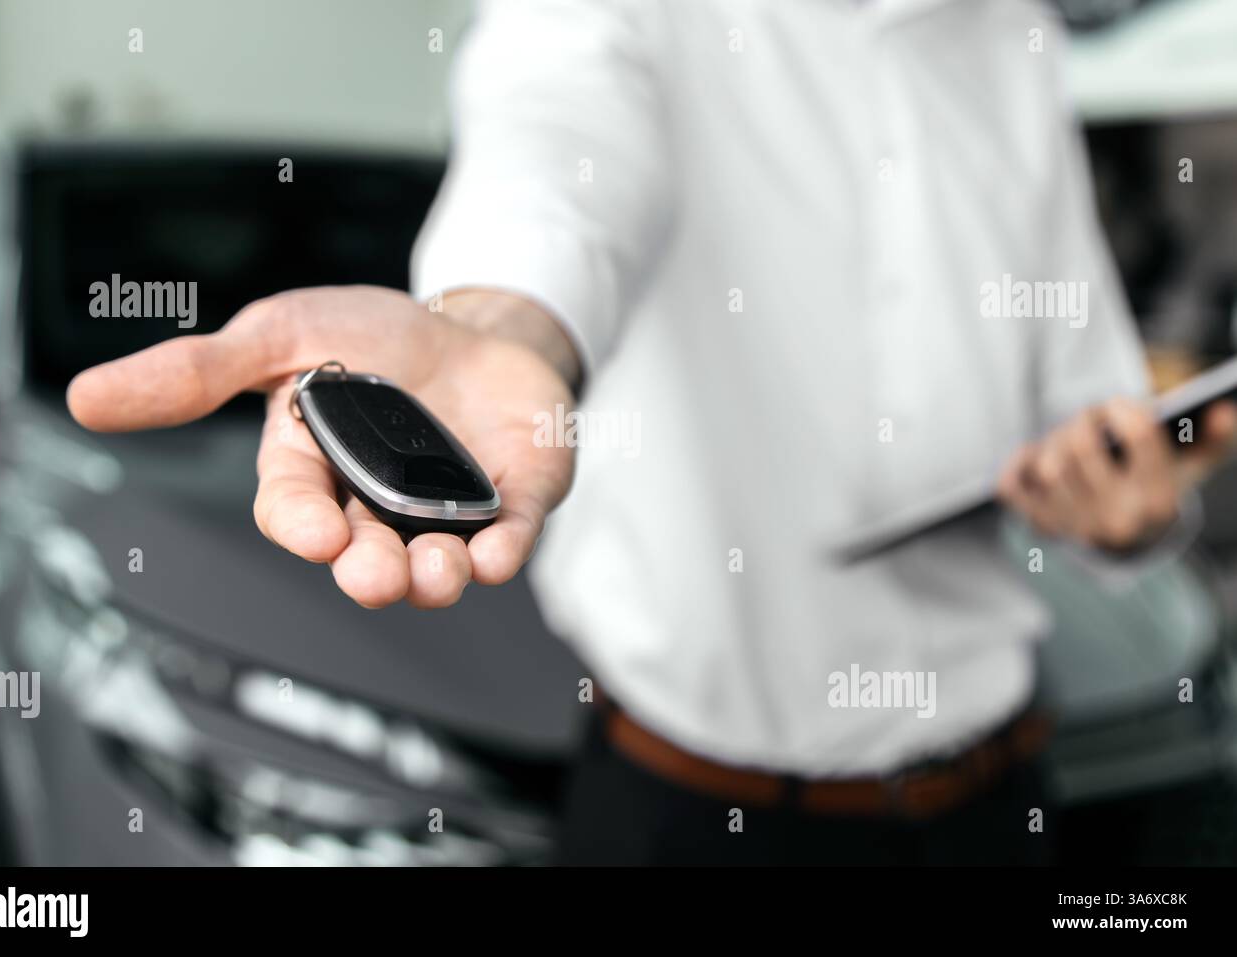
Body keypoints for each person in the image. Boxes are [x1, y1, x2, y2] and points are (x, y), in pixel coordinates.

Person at [66, 0, 1237, 864]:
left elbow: (1088, 415)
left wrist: (1127, 515)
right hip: (689, 823)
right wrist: (496, 328)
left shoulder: (1011, 40)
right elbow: (550, 162)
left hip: (1000, 805)